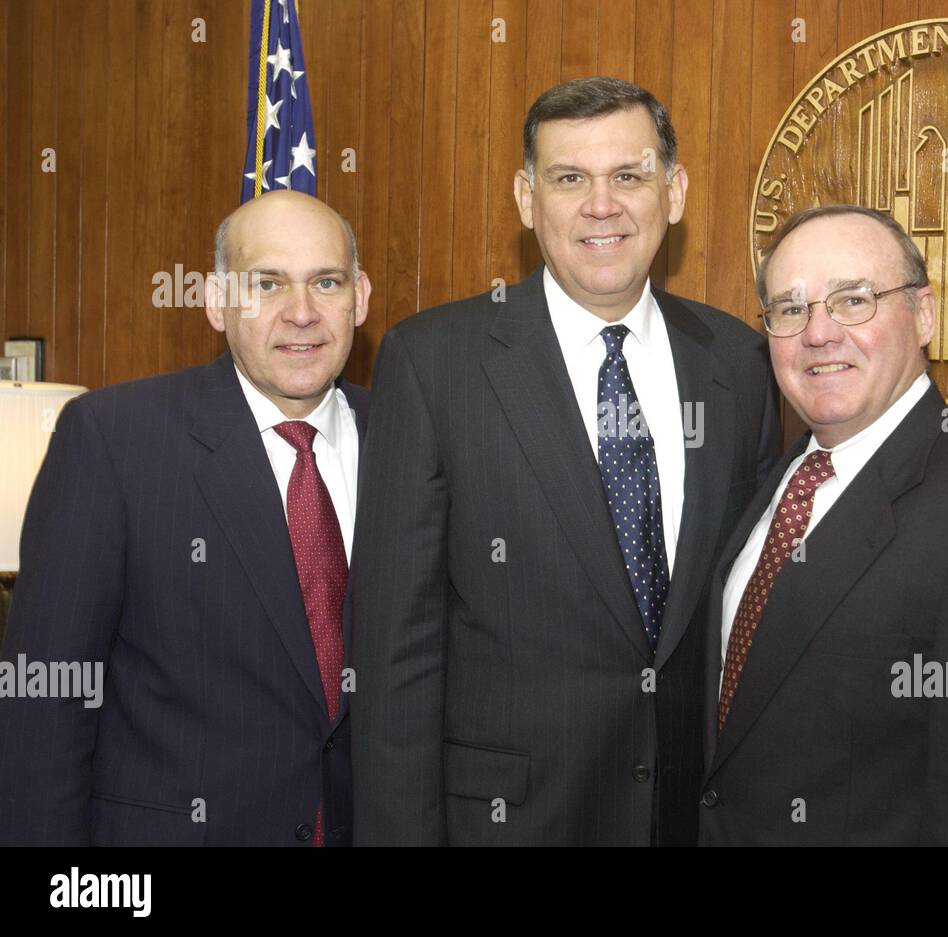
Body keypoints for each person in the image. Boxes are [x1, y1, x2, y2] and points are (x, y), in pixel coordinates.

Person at [351, 76, 782, 846]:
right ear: (526, 198)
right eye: (569, 178)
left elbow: (748, 621)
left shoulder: (742, 366)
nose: (601, 205)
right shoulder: (433, 363)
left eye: (629, 175)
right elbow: (392, 655)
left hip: (686, 820)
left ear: (674, 191)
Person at [699, 204, 948, 845]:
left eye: (854, 300)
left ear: (924, 315)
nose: (819, 333)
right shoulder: (778, 485)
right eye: (790, 309)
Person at [0, 191, 371, 846]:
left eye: (326, 281)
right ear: (214, 299)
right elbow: (43, 708)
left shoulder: (408, 436)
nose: (303, 312)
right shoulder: (112, 441)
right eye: (267, 283)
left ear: (359, 298)